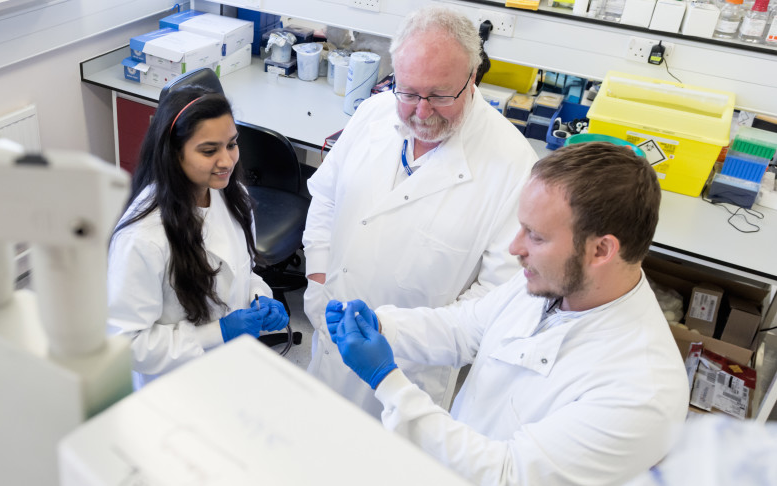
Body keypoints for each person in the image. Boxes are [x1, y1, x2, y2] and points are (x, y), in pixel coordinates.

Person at [329, 142, 690, 485]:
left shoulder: (642, 391)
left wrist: (387, 381)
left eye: (535, 236)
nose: (515, 247)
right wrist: (382, 325)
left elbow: (507, 476)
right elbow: (464, 328)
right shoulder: (551, 280)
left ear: (601, 250)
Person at [302, 5, 538, 414]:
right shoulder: (374, 112)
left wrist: (396, 333)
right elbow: (325, 195)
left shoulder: (514, 164)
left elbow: (497, 297)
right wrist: (320, 278)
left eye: (441, 95)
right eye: (409, 92)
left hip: (410, 365)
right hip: (330, 327)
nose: (422, 111)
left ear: (472, 77)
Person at [107, 86, 289, 389]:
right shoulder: (142, 238)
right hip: (175, 385)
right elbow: (127, 344)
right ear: (174, 153)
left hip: (232, 368)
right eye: (209, 151)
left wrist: (261, 297)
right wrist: (217, 332)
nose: (227, 161)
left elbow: (242, 271)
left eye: (232, 144)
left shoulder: (233, 197)